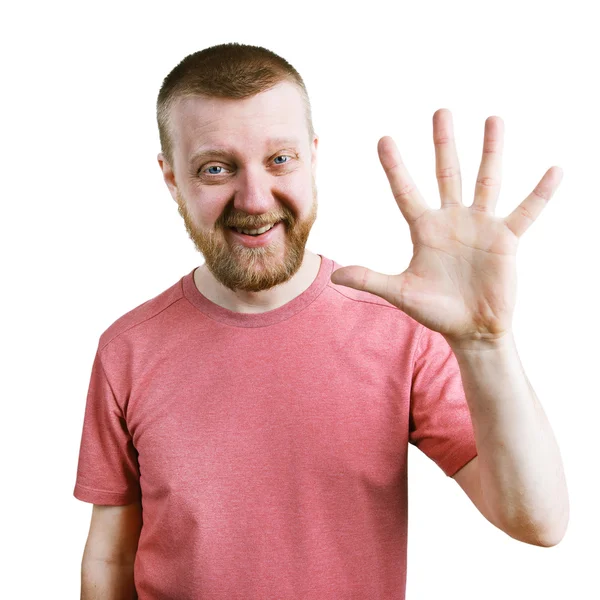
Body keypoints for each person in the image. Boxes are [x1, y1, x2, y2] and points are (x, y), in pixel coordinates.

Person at [74, 43, 569, 600]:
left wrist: (486, 345)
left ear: (313, 156)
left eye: (280, 159)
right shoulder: (128, 349)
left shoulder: (398, 333)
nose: (255, 199)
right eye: (217, 168)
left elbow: (539, 521)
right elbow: (110, 555)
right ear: (170, 178)